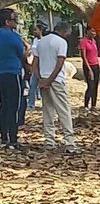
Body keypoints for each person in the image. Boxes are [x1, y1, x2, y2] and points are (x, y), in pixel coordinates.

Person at [34, 20, 78, 153]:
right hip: (56, 80)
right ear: (64, 32)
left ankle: (49, 141)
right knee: (64, 110)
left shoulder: (41, 42)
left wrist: (41, 79)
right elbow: (59, 64)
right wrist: (50, 80)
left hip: (43, 78)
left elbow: (35, 64)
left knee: (48, 110)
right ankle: (69, 142)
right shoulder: (61, 42)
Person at [0, 8, 28, 151]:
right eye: (13, 20)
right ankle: (13, 139)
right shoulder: (14, 37)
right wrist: (27, 68)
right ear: (7, 22)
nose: (15, 22)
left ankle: (3, 137)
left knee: (2, 106)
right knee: (14, 107)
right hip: (12, 74)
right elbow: (22, 55)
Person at [27, 21, 48, 109]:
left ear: (40, 31)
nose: (34, 32)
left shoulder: (45, 41)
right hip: (35, 64)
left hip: (43, 65)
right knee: (33, 85)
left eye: (36, 30)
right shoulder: (35, 40)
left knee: (43, 84)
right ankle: (31, 104)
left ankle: (45, 104)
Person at [79, 24, 100, 111]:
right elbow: (84, 57)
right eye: (92, 31)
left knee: (95, 86)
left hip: (96, 65)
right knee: (90, 86)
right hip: (88, 66)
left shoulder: (94, 41)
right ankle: (86, 105)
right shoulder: (83, 42)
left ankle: (94, 105)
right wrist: (89, 70)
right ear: (87, 31)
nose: (94, 33)